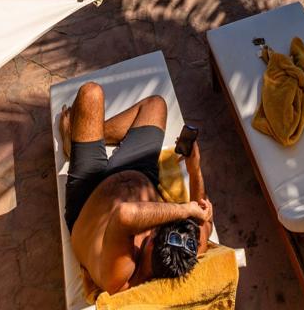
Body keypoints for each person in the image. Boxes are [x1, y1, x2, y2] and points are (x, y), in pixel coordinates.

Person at [60, 83, 212, 294]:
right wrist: (194, 169)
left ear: (150, 246)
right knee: (155, 105)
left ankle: (75, 140)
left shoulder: (121, 274)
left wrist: (185, 209)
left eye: (159, 227)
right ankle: (93, 131)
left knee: (91, 94)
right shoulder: (185, 250)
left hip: (88, 195)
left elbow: (125, 215)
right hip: (141, 172)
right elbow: (206, 220)